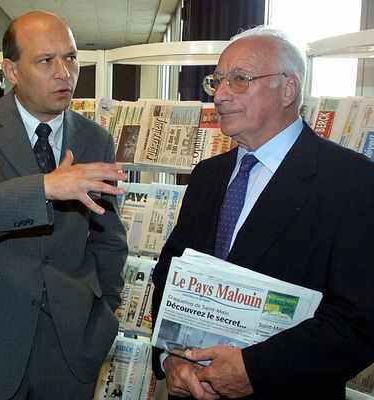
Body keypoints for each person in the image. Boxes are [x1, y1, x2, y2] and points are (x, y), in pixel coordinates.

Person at [151, 26, 374, 400]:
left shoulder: (351, 182)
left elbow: (358, 320)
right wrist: (170, 358)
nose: (220, 95)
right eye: (217, 81)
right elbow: (171, 271)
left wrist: (255, 371)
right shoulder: (208, 175)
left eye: (239, 80)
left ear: (288, 89)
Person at [0, 10, 128, 400]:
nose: (64, 73)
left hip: (71, 346)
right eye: (46, 60)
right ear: (11, 71)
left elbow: (108, 238)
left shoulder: (94, 139)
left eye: (70, 57)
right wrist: (44, 188)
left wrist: (105, 312)